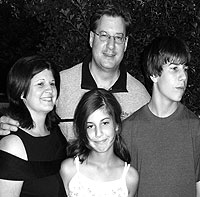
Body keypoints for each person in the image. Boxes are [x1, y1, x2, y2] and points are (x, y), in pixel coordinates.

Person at [0, 3, 150, 140]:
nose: (111, 46)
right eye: (104, 36)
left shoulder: (140, 97)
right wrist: (7, 123)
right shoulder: (59, 86)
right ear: (91, 39)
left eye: (118, 37)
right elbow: (27, 118)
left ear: (125, 44)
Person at [122, 36, 200, 196]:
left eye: (185, 68)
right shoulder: (128, 129)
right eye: (174, 68)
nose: (184, 77)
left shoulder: (195, 127)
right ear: (153, 74)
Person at [0, 56, 67, 197]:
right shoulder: (13, 144)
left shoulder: (55, 133)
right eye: (40, 84)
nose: (50, 90)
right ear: (21, 92)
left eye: (52, 83)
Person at [60, 88, 139, 196]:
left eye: (105, 123)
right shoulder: (69, 169)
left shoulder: (129, 177)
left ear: (116, 125)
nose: (98, 133)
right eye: (90, 126)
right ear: (83, 130)